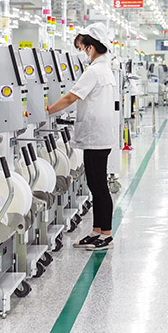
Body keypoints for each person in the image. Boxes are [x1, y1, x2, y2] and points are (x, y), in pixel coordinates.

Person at [47, 23, 117, 251]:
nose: (81, 52)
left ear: (90, 47)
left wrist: (47, 111)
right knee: (95, 185)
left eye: (81, 48)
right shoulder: (104, 69)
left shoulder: (94, 71)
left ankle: (106, 235)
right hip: (98, 135)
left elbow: (70, 97)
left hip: (96, 137)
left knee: (99, 187)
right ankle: (97, 231)